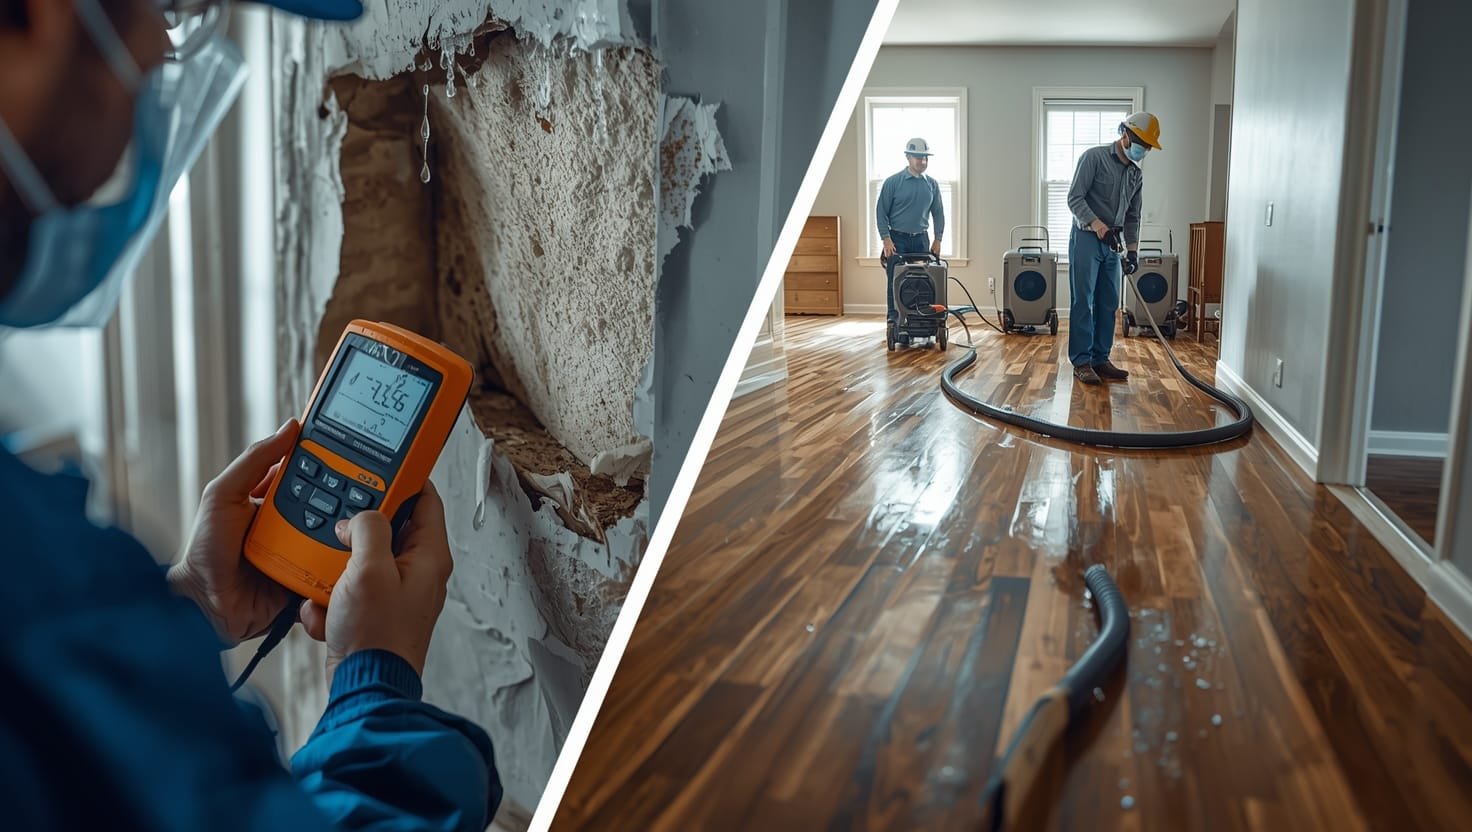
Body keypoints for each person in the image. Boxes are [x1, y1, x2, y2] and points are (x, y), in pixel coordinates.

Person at [0, 1, 501, 829]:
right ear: (45, 21)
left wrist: (189, 605)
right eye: (156, 31)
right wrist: (375, 683)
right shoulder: (36, 597)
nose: (161, 74)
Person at [1065, 111, 1162, 385]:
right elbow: (1074, 198)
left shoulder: (1135, 175)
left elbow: (1133, 215)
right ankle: (1082, 361)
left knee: (1108, 303)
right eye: (1141, 142)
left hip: (1114, 244)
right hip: (1086, 239)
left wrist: (1132, 251)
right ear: (1125, 135)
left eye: (1148, 147)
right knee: (1083, 301)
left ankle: (1100, 358)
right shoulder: (1093, 158)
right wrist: (1098, 226)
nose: (1143, 150)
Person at [875, 137, 944, 336]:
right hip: (897, 240)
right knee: (894, 280)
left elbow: (938, 212)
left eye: (925, 158)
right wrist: (886, 239)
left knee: (923, 280)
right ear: (907, 157)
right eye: (918, 157)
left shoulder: (931, 184)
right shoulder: (893, 182)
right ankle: (894, 319)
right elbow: (881, 212)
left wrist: (937, 239)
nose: (922, 161)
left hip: (921, 239)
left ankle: (920, 318)